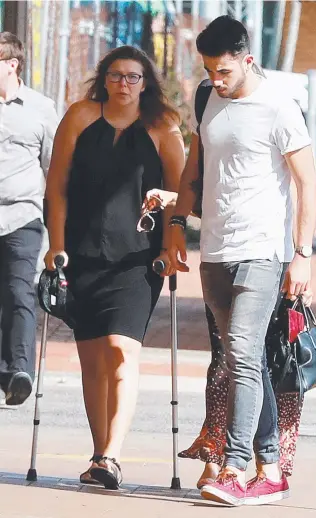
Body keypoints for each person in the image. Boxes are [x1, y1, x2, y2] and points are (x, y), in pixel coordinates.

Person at [168, 16, 316, 506]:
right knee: (242, 361)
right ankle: (270, 467)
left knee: (242, 351)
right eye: (210, 70)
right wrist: (176, 226)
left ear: (247, 59)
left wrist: (302, 256)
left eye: (224, 71)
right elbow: (196, 164)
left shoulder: (278, 106)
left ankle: (234, 467)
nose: (216, 79)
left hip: (263, 249)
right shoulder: (208, 99)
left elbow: (307, 183)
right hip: (215, 248)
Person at [44, 45, 184, 489]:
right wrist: (56, 244)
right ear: (104, 78)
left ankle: (111, 455)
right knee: (92, 360)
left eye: (134, 77)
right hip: (82, 254)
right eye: (117, 76)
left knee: (121, 351)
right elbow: (58, 187)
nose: (125, 84)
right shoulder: (80, 117)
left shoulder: (163, 127)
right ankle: (98, 452)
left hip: (137, 258)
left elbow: (180, 198)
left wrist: (170, 247)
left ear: (146, 83)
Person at [0, 32, 59, 406]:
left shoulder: (40, 108)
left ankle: (17, 371)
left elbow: (55, 170)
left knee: (19, 291)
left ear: (11, 64)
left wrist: (59, 231)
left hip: (22, 215)